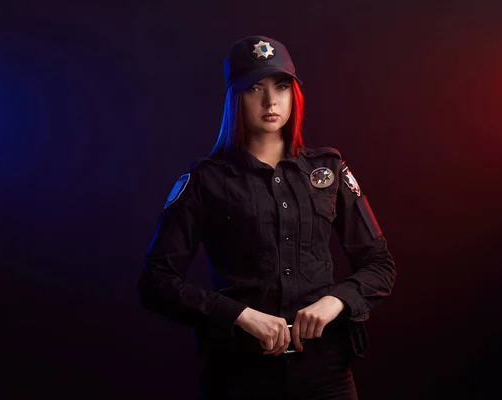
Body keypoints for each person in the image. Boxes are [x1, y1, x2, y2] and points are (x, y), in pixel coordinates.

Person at [138, 35, 396, 400]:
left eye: (281, 86)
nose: (270, 101)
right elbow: (155, 281)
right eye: (254, 88)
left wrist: (335, 301)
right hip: (239, 375)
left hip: (326, 375)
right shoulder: (204, 181)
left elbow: (379, 264)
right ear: (235, 98)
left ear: (294, 95)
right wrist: (238, 314)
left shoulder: (329, 170)